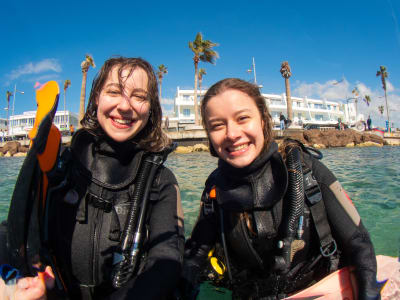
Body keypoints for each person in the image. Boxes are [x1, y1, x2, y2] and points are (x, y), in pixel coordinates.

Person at [1, 57, 184, 300]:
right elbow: (14, 228)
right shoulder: (59, 167)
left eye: (139, 96)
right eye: (114, 92)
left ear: (151, 109)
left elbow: (166, 260)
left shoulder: (160, 181)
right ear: (96, 97)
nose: (125, 106)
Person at [181, 78, 382, 299]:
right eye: (218, 125)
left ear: (263, 121)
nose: (232, 133)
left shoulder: (307, 171)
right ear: (209, 135)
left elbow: (359, 243)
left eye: (243, 118)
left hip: (315, 289)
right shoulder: (215, 188)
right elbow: (197, 253)